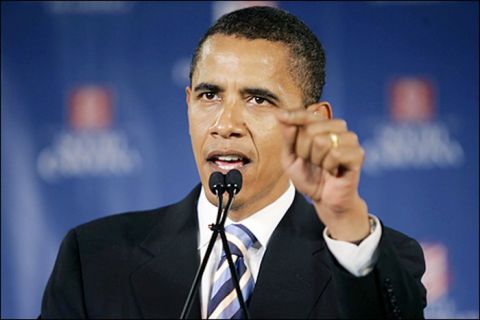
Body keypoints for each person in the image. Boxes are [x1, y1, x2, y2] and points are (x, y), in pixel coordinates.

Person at [41, 6, 426, 319]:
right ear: (188, 104)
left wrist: (344, 219)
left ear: (314, 122)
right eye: (209, 95)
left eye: (258, 99)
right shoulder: (94, 257)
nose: (225, 124)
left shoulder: (370, 259)